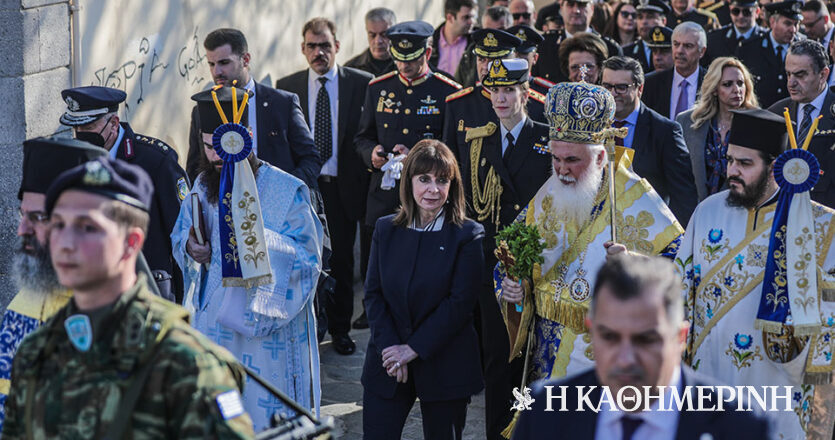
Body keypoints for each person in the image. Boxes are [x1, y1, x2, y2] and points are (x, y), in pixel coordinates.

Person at [2, 157, 255, 439]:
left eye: (87, 227)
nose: (66, 243)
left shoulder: (185, 362)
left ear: (130, 243)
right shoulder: (36, 352)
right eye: (58, 224)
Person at [496, 80, 683, 438]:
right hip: (545, 354)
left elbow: (681, 270)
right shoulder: (550, 192)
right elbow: (512, 257)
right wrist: (513, 286)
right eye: (555, 158)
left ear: (600, 156)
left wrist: (635, 266)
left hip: (603, 355)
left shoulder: (636, 198)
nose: (561, 170)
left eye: (571, 160)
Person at [676, 108, 835, 438]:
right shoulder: (707, 211)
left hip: (777, 382)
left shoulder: (819, 226)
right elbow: (678, 290)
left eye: (745, 164)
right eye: (730, 160)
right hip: (710, 377)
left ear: (775, 166)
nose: (732, 171)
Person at [173, 86, 324, 430]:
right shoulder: (201, 184)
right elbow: (182, 233)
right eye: (207, 147)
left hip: (266, 333)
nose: (213, 157)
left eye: (220, 148)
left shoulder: (288, 190)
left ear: (244, 139)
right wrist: (190, 247)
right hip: (214, 328)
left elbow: (309, 260)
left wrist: (257, 245)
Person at [512, 255, 771, 439]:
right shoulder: (545, 411)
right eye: (610, 337)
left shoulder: (740, 426)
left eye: (646, 340)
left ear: (680, 337)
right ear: (591, 330)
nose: (625, 359)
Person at [362, 140, 484, 440]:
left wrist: (412, 349)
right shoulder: (385, 228)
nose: (433, 189)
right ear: (409, 181)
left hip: (445, 363)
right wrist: (392, 350)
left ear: (452, 185)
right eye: (424, 179)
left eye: (442, 180)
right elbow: (373, 295)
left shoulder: (468, 235)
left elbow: (459, 304)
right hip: (388, 360)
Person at [460, 58, 552, 440]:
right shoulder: (476, 140)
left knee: (534, 357)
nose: (500, 97)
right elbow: (467, 200)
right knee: (498, 358)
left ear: (525, 92)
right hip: (493, 268)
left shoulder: (547, 139)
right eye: (494, 90)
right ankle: (498, 432)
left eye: (508, 90)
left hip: (540, 266)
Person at [275, 18, 374, 355]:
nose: (319, 52)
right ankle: (312, 329)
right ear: (303, 49)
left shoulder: (361, 83)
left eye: (325, 46)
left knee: (343, 262)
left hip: (344, 187)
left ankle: (341, 330)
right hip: (306, 189)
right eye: (312, 46)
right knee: (307, 260)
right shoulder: (287, 87)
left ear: (337, 47)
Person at [0, 137, 107, 430]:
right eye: (23, 214)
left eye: (38, 218)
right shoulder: (23, 303)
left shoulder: (125, 316)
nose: (22, 230)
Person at [59, 86, 186, 302]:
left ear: (114, 124)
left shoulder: (156, 161)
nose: (80, 135)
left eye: (89, 126)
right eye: (76, 128)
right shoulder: (73, 161)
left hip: (148, 288)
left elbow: (181, 230)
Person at [356, 20, 462, 239]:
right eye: (399, 59)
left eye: (412, 59)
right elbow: (362, 137)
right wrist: (372, 153)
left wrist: (413, 157)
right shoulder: (378, 88)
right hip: (384, 198)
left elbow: (453, 147)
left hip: (427, 200)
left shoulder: (448, 90)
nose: (404, 66)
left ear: (428, 52)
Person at [186, 28, 321, 189]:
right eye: (211, 64)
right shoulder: (201, 111)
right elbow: (194, 168)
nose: (216, 72)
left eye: (224, 63)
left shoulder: (283, 103)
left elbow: (310, 159)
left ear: (246, 59)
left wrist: (285, 190)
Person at [602, 56, 698, 225]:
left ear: (640, 89)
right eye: (607, 86)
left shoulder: (665, 131)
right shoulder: (591, 125)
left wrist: (673, 242)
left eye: (621, 88)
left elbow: (683, 196)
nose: (612, 94)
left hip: (647, 231)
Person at [443, 29, 550, 166]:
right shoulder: (458, 104)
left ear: (512, 59)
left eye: (494, 60)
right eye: (481, 59)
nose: (485, 67)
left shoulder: (539, 106)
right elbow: (451, 164)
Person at [677, 57, 759, 202]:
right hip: (696, 211)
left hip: (739, 209)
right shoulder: (687, 122)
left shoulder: (757, 124)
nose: (736, 90)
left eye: (740, 83)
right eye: (727, 84)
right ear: (715, 89)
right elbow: (679, 174)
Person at [768, 39, 835, 209]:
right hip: (784, 214)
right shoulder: (775, 114)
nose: (791, 82)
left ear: (823, 74)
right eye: (789, 74)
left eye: (800, 75)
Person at [533, 0, 623, 83]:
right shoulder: (543, 45)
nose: (576, 11)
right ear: (561, 8)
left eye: (582, 5)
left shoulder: (611, 48)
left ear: (592, 8)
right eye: (570, 5)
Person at [735, 0, 803, 108]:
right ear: (772, 22)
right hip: (760, 114)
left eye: (796, 24)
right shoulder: (750, 48)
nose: (793, 30)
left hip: (791, 116)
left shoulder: (803, 48)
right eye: (787, 23)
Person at [642, 22, 707, 119]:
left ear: (701, 51)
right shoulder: (650, 84)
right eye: (676, 44)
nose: (680, 51)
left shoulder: (712, 82)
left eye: (688, 46)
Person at [454, 6, 514, 88]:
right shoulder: (472, 53)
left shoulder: (520, 53)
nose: (493, 37)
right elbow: (459, 87)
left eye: (500, 31)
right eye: (488, 32)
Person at [703, 0, 766, 65]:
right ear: (730, 10)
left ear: (757, 12)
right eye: (736, 11)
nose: (740, 16)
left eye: (746, 12)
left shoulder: (766, 39)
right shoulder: (715, 39)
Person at [431, 0, 478, 77]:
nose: (471, 22)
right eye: (466, 17)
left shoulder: (477, 43)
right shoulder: (430, 42)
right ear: (450, 18)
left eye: (473, 17)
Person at [345, 8, 397, 77]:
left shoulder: (407, 66)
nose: (378, 41)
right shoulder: (351, 69)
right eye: (372, 35)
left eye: (384, 35)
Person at [509, 24, 556, 98]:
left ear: (535, 58)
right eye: (512, 52)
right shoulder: (493, 89)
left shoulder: (549, 93)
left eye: (523, 53)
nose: (516, 57)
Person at [624, 0, 671, 73]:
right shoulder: (626, 53)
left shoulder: (673, 48)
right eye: (640, 17)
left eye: (650, 17)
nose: (644, 22)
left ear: (663, 21)